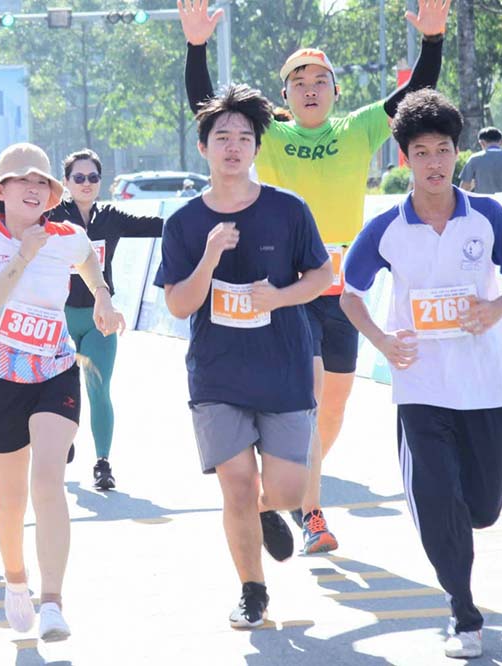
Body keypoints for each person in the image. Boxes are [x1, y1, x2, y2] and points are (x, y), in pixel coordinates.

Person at [180, 0, 450, 554]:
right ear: (283, 96)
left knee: (333, 408)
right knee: (310, 394)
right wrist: (196, 47)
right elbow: (209, 112)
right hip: (289, 291)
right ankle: (313, 513)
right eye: (298, 81)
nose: (309, 88)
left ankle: (281, 495)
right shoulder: (270, 134)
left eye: (320, 80)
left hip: (343, 293)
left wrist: (433, 41)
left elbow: (417, 98)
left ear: (335, 91)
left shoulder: (359, 129)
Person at [340, 90, 502, 659]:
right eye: (421, 152)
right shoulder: (386, 227)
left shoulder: (489, 215)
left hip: (484, 386)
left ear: (457, 153)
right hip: (420, 385)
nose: (434, 163)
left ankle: (448, 519)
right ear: (405, 159)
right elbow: (350, 295)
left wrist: (495, 308)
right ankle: (464, 613)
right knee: (438, 495)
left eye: (443, 150)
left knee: (482, 506)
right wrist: (380, 339)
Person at [155, 84, 332, 628]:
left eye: (244, 137)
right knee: (235, 483)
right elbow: (180, 304)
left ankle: (266, 511)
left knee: (285, 489)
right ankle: (252, 591)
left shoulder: (288, 209)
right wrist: (208, 259)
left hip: (283, 367)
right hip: (218, 374)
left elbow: (323, 276)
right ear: (204, 147)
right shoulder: (184, 223)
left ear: (256, 147)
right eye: (221, 137)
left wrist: (278, 296)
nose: (233, 147)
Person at [0, 142, 125, 641]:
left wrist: (102, 296)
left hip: (53, 369)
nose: (34, 189)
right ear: (1, 191)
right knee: (9, 502)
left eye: (42, 183)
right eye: (22, 181)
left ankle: (52, 601)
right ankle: (16, 581)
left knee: (48, 482)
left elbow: (89, 264)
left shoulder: (68, 235)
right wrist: (23, 257)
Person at [47, 148, 165, 490]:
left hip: (100, 317)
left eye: (93, 177)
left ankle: (102, 463)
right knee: (59, 388)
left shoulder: (111, 217)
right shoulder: (52, 216)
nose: (86, 183)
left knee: (99, 389)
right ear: (66, 182)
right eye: (79, 178)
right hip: (59, 316)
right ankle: (63, 438)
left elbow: (163, 226)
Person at [459, 127, 502, 193]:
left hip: (483, 203)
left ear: (482, 143)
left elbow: (464, 187)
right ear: (501, 142)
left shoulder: (474, 159)